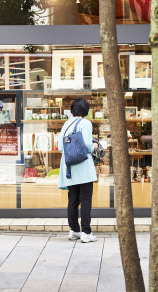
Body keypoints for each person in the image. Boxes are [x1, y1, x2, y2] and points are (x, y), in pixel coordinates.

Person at [58, 98, 98, 243]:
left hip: (69, 168)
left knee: (73, 200)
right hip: (83, 168)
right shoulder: (86, 123)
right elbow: (87, 145)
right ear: (85, 110)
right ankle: (86, 233)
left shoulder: (66, 124)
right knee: (86, 200)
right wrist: (95, 145)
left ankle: (74, 230)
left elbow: (60, 148)